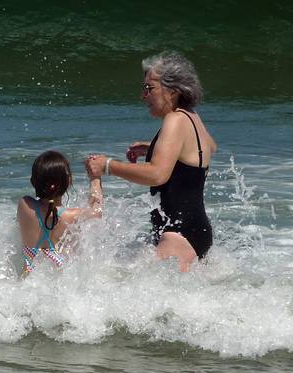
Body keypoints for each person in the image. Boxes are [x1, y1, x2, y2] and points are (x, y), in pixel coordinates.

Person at [86, 51, 216, 272]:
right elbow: (208, 147)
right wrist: (155, 147)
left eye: (149, 88)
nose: (143, 96)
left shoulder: (175, 120)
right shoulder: (191, 116)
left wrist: (107, 166)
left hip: (179, 234)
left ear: (172, 91)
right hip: (193, 230)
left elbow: (157, 174)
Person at [18, 150, 103, 275]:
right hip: (59, 286)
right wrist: (95, 178)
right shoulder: (71, 216)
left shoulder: (24, 205)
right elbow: (97, 210)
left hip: (27, 279)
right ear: (69, 182)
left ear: (33, 182)